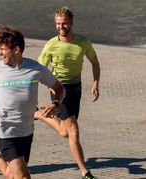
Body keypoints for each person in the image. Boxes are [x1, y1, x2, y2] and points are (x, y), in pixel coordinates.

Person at [0, 25, 65, 179]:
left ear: (16, 50)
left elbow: (59, 88)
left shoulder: (35, 69)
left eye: (3, 49)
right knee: (23, 176)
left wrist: (55, 104)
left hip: (27, 131)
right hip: (6, 133)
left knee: (11, 174)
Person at [36, 7, 100, 179]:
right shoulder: (51, 45)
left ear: (71, 23)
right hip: (59, 88)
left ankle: (39, 114)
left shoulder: (83, 42)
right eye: (58, 23)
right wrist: (49, 85)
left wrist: (95, 82)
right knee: (74, 131)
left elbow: (94, 62)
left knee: (65, 132)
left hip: (75, 89)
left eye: (64, 23)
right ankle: (84, 172)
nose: (61, 26)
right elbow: (40, 70)